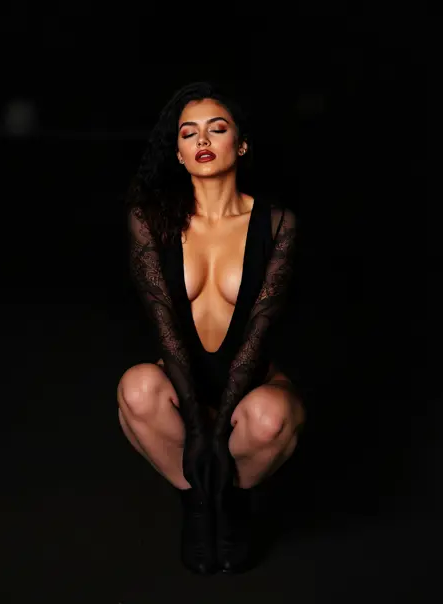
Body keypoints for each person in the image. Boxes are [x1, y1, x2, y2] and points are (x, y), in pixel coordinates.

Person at [117, 81, 305, 574]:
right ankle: (197, 501)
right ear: (179, 154)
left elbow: (259, 331)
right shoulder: (150, 220)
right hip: (182, 379)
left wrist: (219, 430)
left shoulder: (277, 222)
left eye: (216, 129)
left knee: (270, 418)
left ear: (239, 144)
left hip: (249, 381)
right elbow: (163, 326)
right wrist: (198, 430)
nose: (202, 140)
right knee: (136, 389)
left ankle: (231, 499)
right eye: (188, 133)